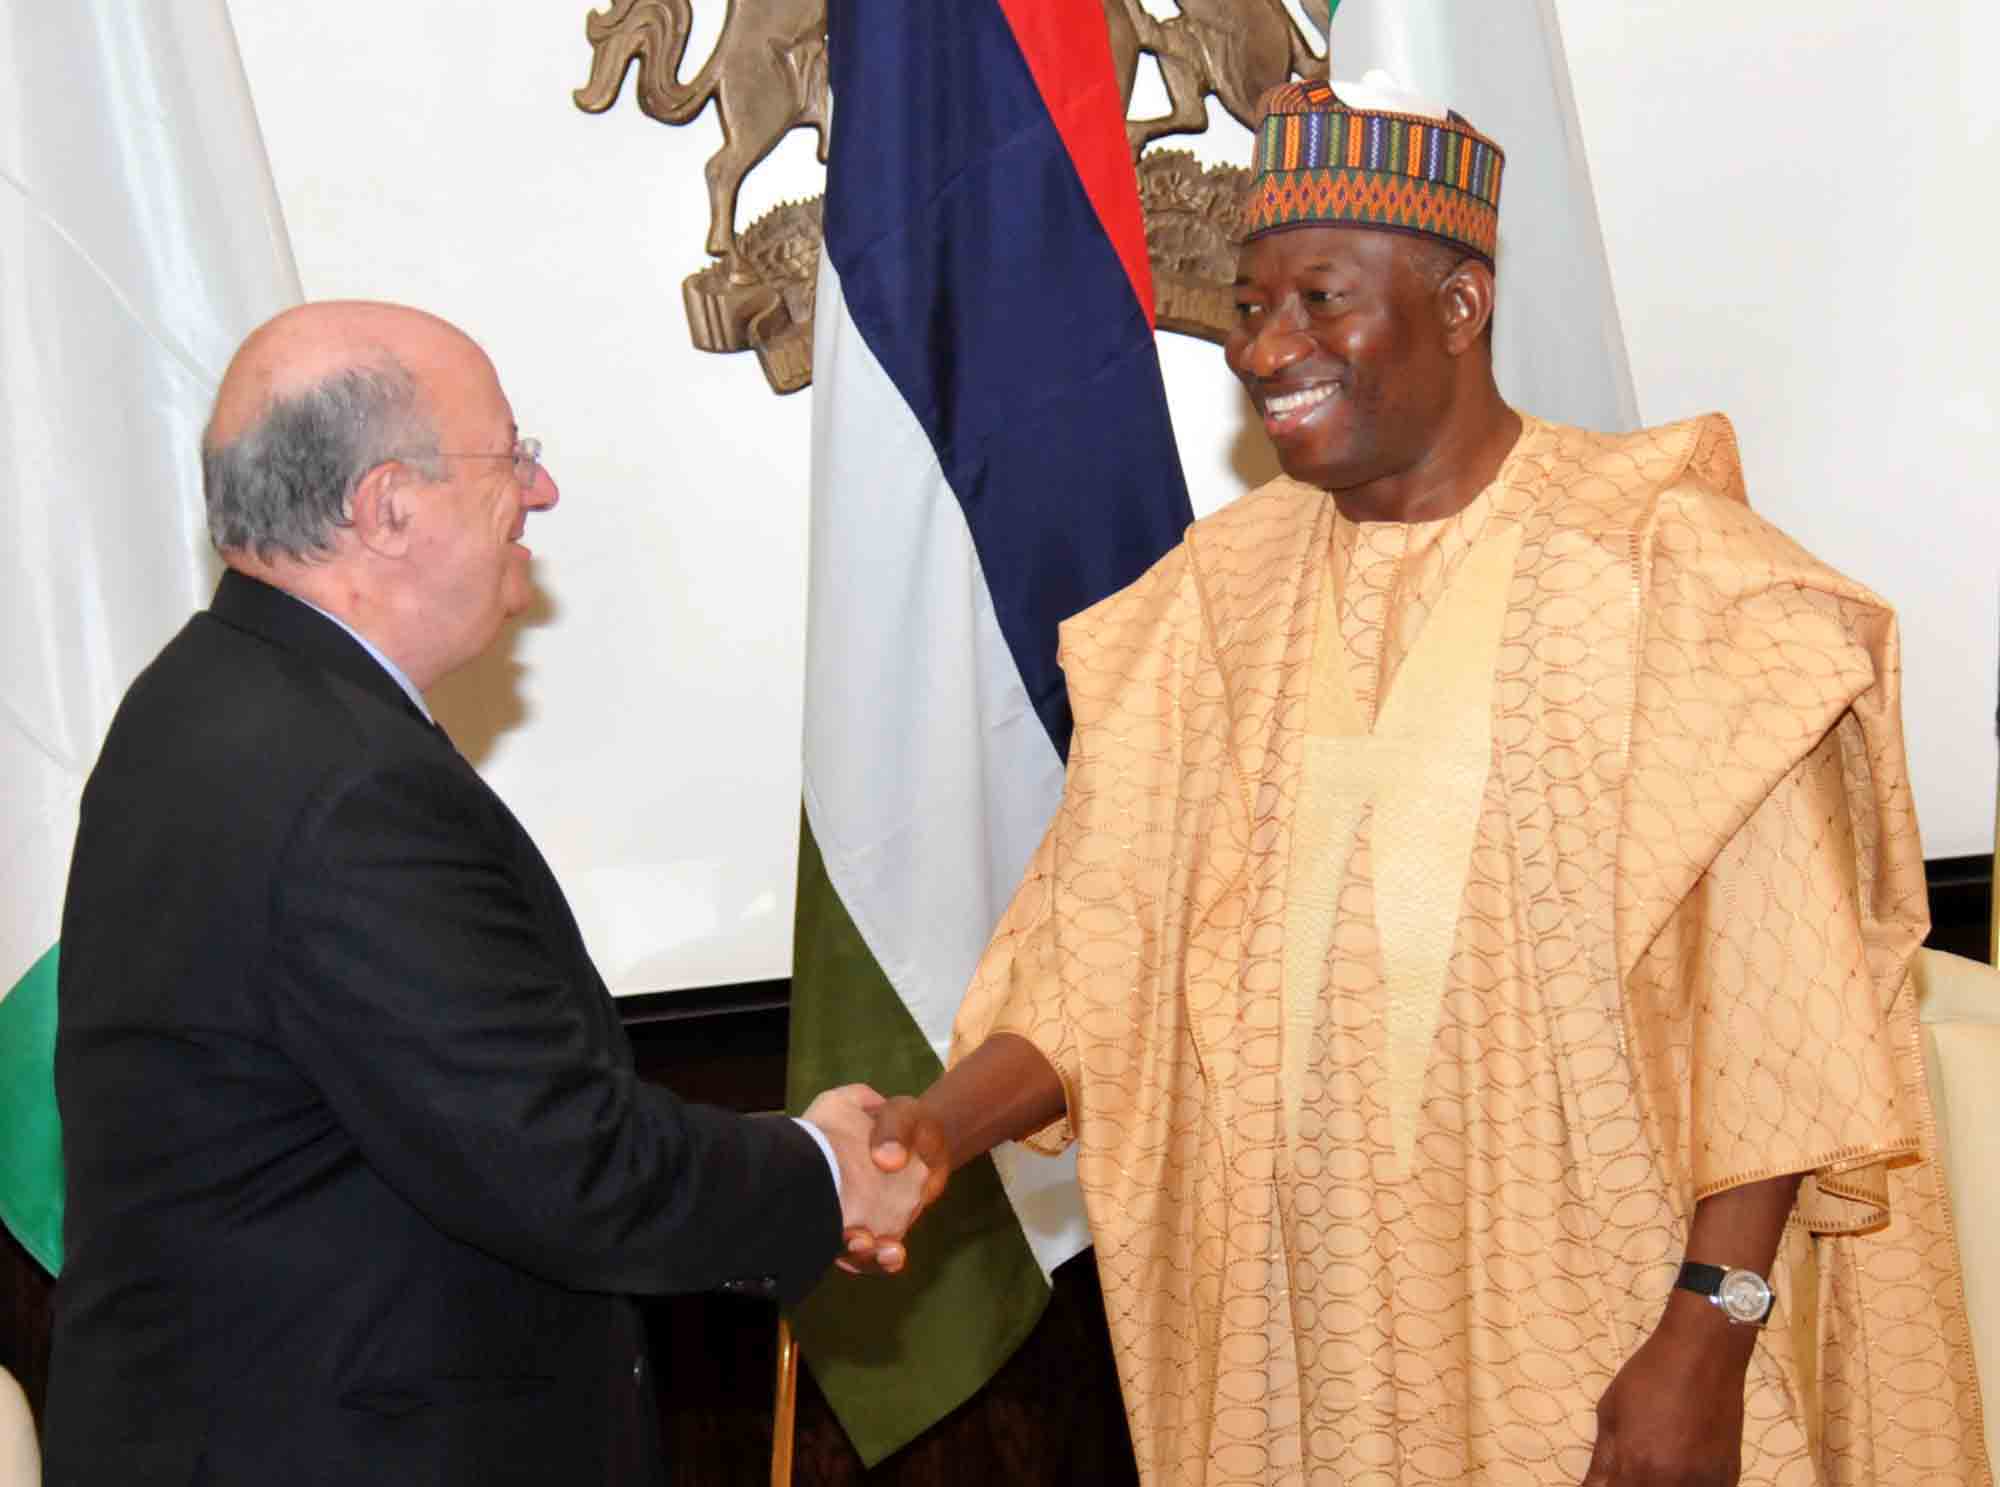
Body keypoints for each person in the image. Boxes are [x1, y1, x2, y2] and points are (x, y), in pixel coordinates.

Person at [858, 77, 1991, 1486]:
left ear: (1460, 306)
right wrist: (934, 1130)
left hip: (1600, 1310)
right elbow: (1096, 950)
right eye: (1249, 306)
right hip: (1302, 1328)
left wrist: (1708, 1329)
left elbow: (1780, 999)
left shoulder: (1671, 571)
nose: (1265, 347)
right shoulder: (1211, 606)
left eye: (1319, 300)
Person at [43, 301, 922, 1486]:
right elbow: (564, 1163)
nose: (540, 491)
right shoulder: (342, 781)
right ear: (387, 505)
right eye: (511, 455)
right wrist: (820, 1171)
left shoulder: (203, 700)